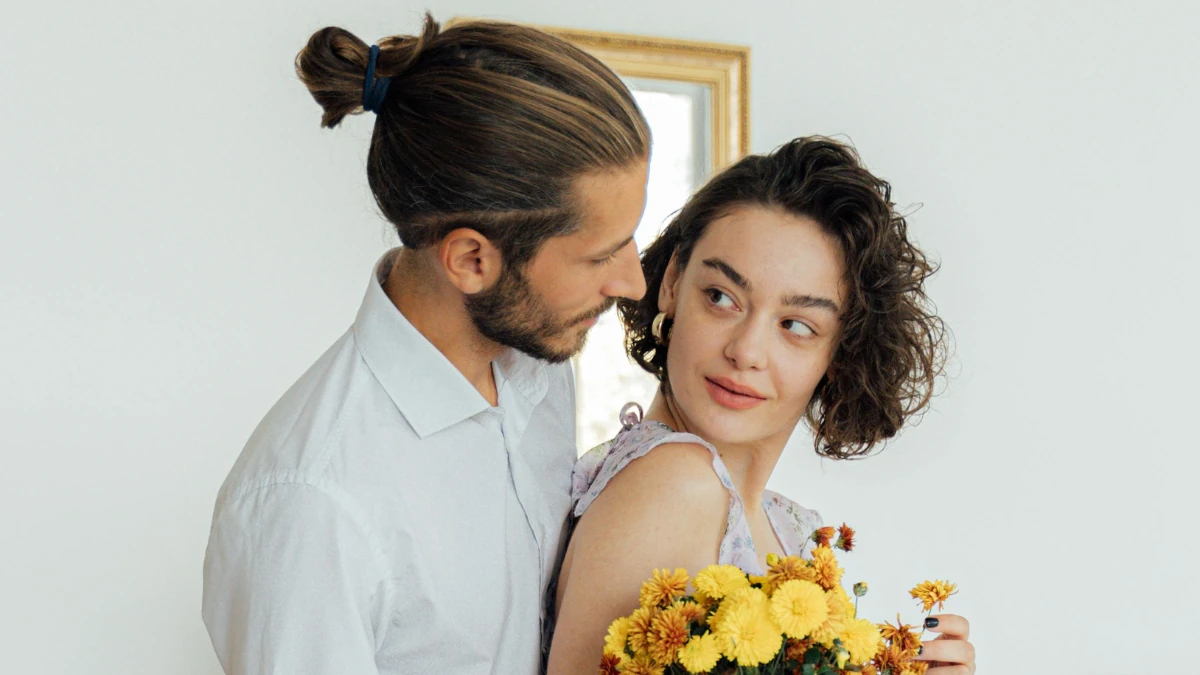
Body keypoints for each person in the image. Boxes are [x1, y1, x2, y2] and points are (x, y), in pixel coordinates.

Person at [201, 14, 650, 675]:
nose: (633, 282)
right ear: (471, 260)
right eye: (600, 255)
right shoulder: (312, 507)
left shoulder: (538, 368)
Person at [548, 137, 976, 674]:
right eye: (721, 297)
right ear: (673, 282)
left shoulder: (788, 527)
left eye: (795, 325)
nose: (746, 351)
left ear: (842, 351)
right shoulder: (674, 484)